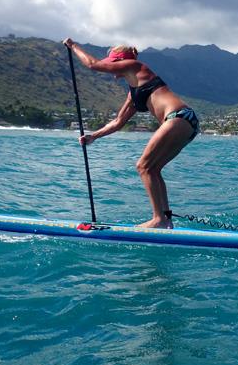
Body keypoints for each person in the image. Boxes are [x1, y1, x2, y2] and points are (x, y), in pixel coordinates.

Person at [63, 38, 200, 229]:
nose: (111, 70)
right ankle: (166, 220)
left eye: (112, 63)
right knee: (153, 169)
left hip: (178, 118)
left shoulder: (135, 66)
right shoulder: (134, 92)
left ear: (120, 60)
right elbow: (118, 122)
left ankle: (158, 219)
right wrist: (93, 136)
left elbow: (93, 64)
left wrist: (73, 46)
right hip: (186, 122)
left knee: (143, 166)